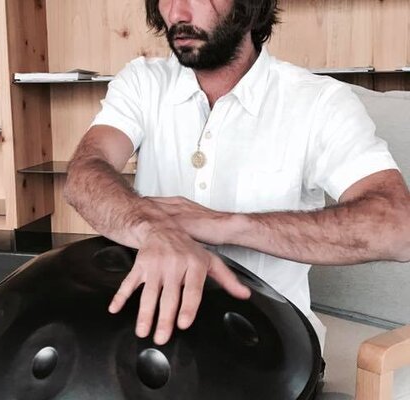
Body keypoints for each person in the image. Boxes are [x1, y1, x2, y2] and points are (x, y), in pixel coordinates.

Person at [64, 0, 410, 350]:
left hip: (270, 346)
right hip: (153, 338)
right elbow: (84, 173)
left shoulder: (320, 102)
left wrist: (229, 225)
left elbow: (398, 228)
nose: (177, 14)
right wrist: (153, 229)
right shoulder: (143, 82)